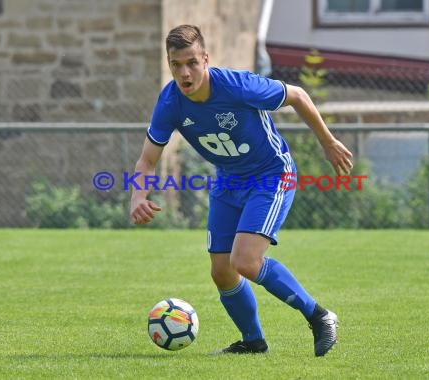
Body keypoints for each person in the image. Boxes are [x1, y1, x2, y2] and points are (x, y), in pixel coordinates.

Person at [130, 25, 353, 357]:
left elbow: (297, 96)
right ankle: (253, 341)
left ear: (205, 59)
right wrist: (137, 196)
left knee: (245, 261)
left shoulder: (237, 85)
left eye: (191, 62)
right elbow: (148, 159)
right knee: (221, 270)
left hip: (271, 174)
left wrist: (328, 142)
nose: (184, 72)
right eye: (176, 64)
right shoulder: (171, 102)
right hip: (229, 180)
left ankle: (320, 316)